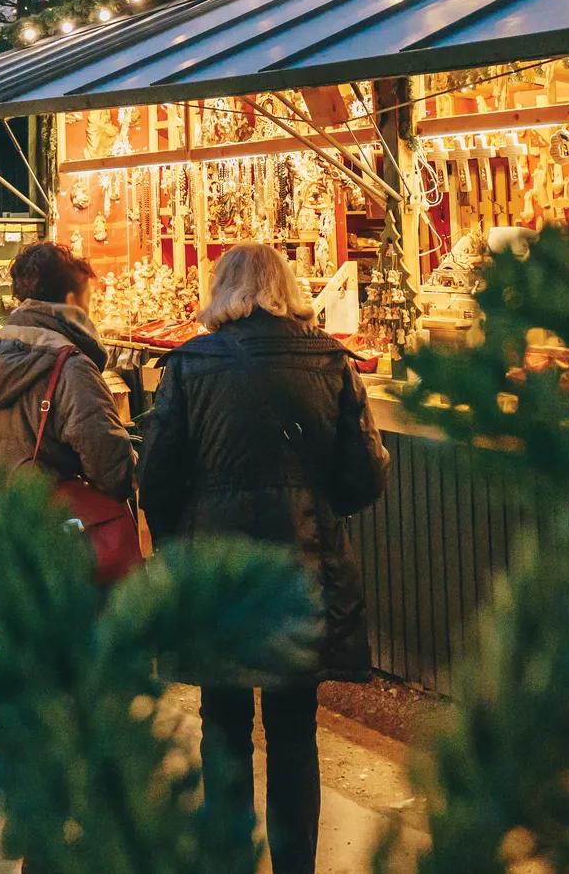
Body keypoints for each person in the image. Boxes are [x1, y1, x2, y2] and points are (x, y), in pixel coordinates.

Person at [137, 243, 389, 874]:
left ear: (223, 291)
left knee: (222, 721)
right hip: (301, 566)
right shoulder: (331, 361)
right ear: (289, 288)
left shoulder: (188, 365)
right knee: (294, 728)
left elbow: (157, 480)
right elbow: (365, 477)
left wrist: (179, 548)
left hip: (217, 573)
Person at [0, 242, 135, 503]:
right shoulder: (71, 365)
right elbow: (111, 469)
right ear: (72, 302)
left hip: (9, 515)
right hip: (64, 522)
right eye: (89, 299)